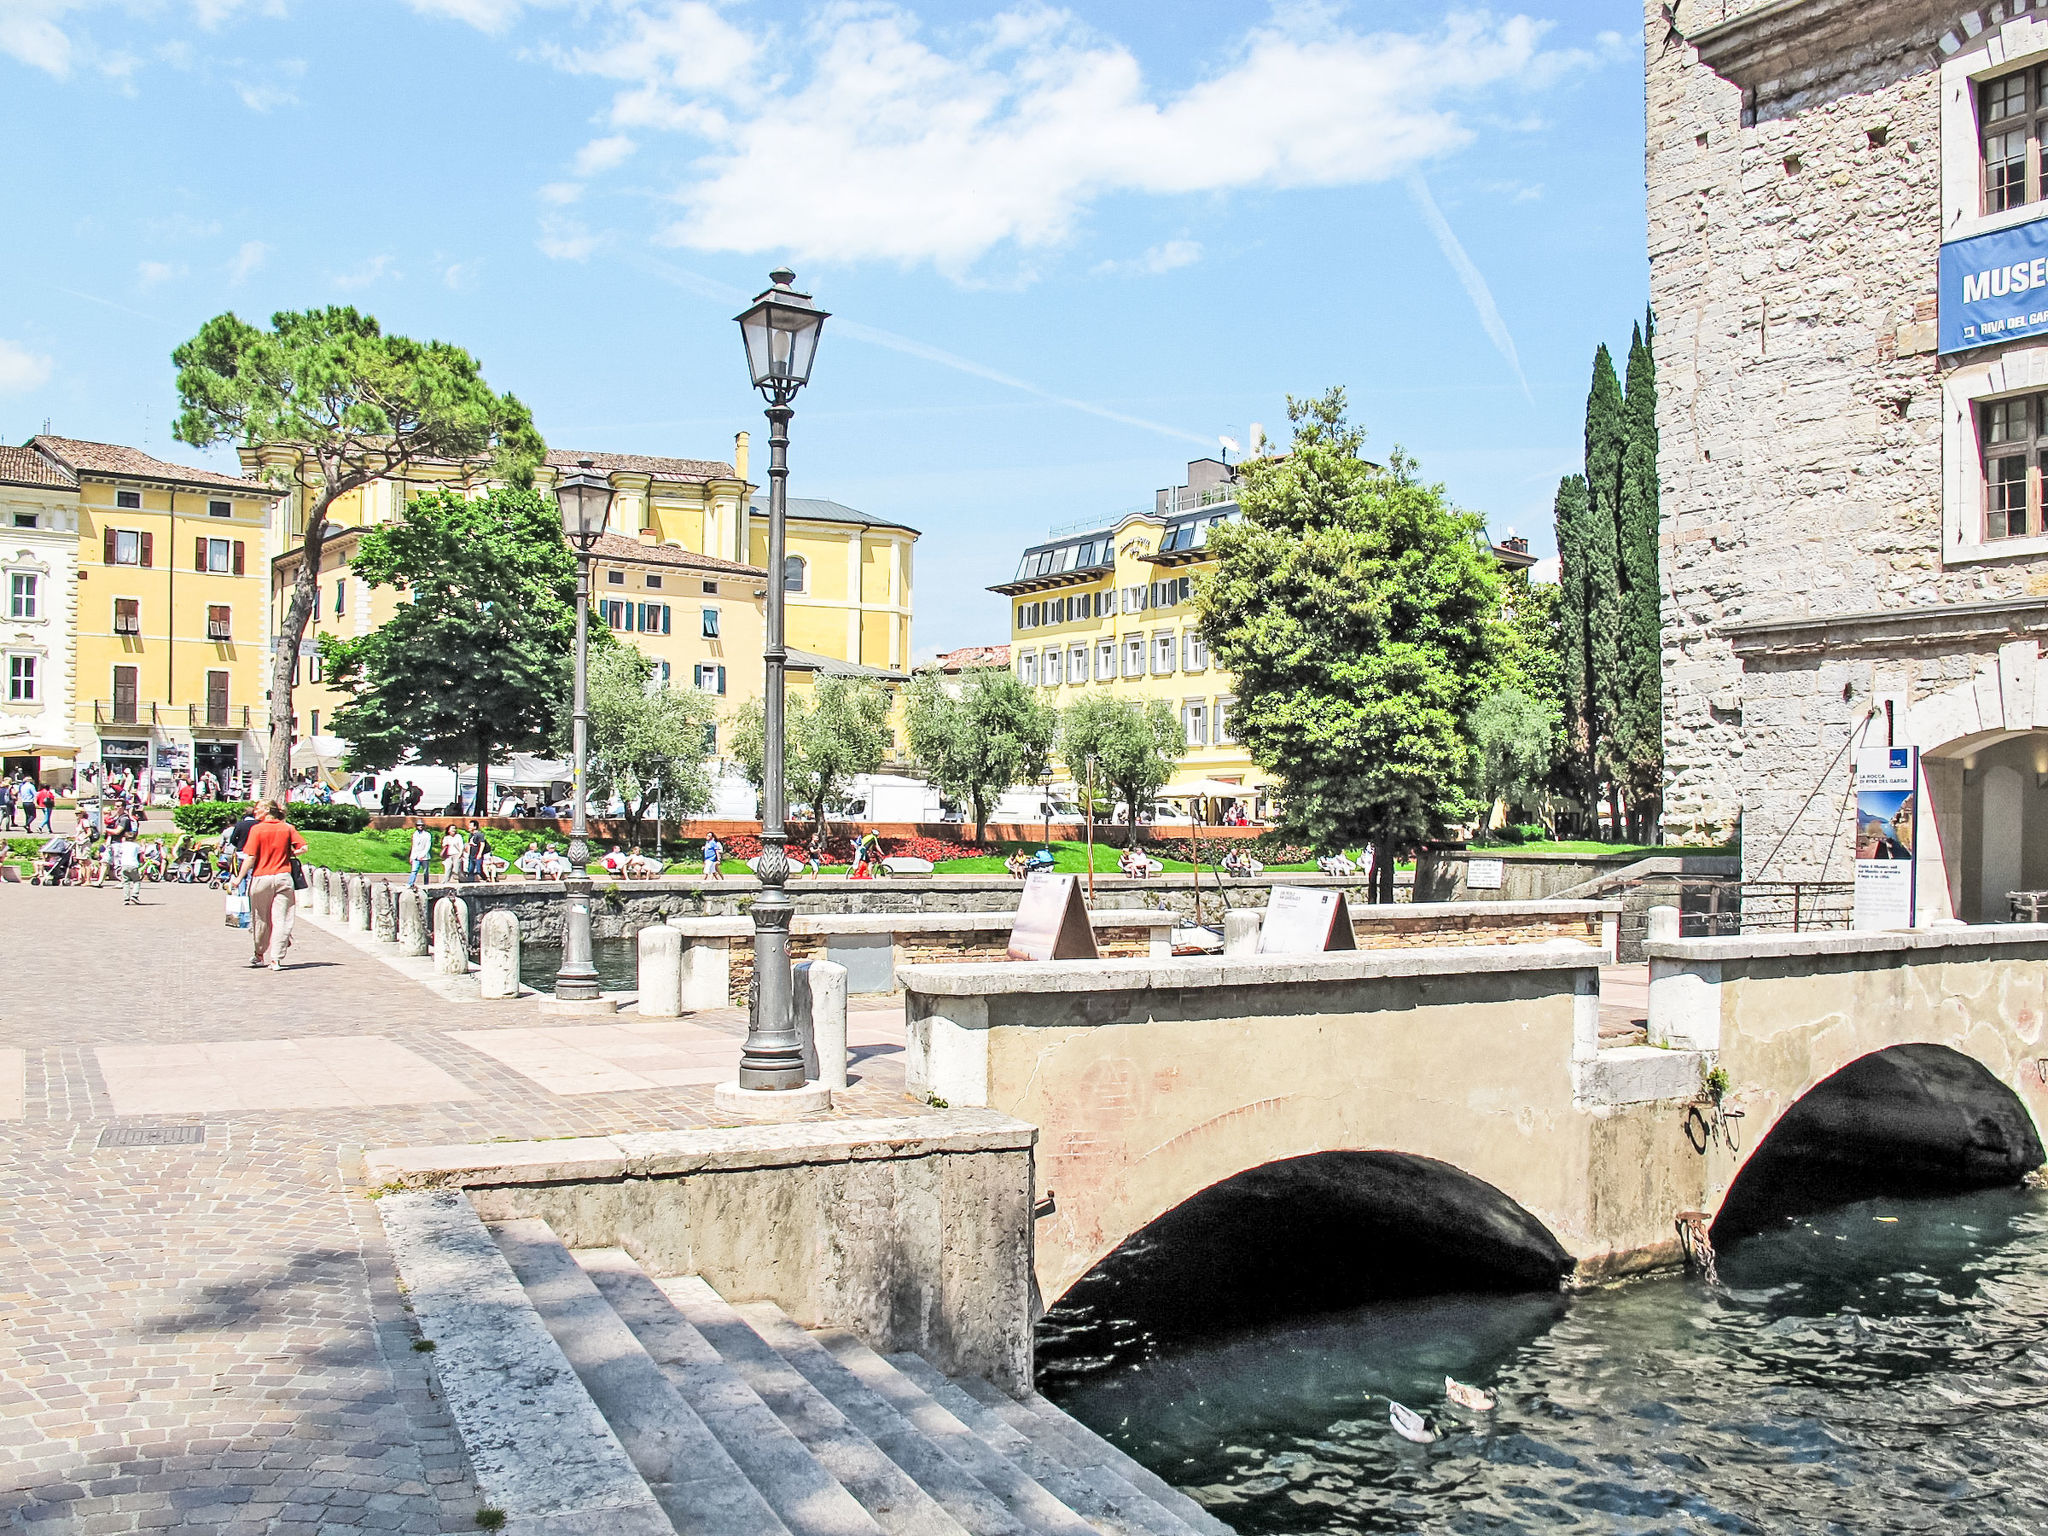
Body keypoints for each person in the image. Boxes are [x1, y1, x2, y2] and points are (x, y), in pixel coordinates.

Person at [239, 801, 307, 971]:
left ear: (268, 810)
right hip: (284, 877)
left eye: (258, 808)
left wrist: (238, 877)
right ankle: (276, 959)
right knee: (282, 919)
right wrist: (289, 853)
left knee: (260, 918)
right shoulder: (287, 828)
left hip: (262, 877)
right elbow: (303, 848)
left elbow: (251, 857)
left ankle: (259, 953)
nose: (255, 811)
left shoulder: (257, 829)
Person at [113, 826, 143, 906]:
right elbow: (140, 853)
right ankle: (134, 895)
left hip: (124, 864)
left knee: (126, 882)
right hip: (133, 864)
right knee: (136, 881)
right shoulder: (136, 845)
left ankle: (126, 898)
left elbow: (119, 853)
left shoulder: (123, 845)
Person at [407, 818, 433, 888]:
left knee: (425, 872)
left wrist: (422, 855)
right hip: (415, 856)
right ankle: (410, 883)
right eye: (419, 825)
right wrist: (411, 857)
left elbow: (427, 846)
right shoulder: (415, 834)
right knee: (414, 870)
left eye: (422, 825)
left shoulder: (427, 835)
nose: (420, 826)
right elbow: (414, 846)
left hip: (424, 857)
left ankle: (426, 884)